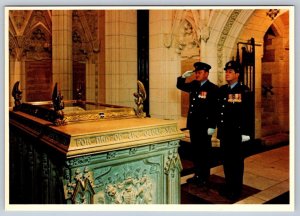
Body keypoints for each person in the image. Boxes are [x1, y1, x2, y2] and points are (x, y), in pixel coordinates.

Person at [176, 62, 219, 187]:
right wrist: (183, 77)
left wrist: (212, 126)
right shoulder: (194, 85)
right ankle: (197, 175)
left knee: (204, 152)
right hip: (194, 125)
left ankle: (204, 177)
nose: (197, 75)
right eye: (196, 72)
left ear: (206, 73)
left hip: (205, 127)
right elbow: (180, 86)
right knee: (195, 152)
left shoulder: (213, 89)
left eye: (199, 73)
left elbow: (215, 109)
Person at [216, 60, 252, 201]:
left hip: (237, 134)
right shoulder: (223, 90)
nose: (227, 74)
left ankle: (236, 190)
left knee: (236, 163)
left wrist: (246, 133)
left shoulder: (244, 91)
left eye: (230, 71)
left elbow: (248, 113)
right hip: (225, 133)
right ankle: (229, 185)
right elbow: (220, 110)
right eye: (226, 71)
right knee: (226, 161)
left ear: (237, 74)